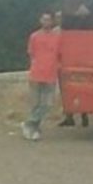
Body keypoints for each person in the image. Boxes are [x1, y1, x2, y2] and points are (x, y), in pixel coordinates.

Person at [21, 11, 60, 141]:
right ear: (40, 21)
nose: (46, 22)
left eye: (48, 20)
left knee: (47, 104)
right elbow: (31, 53)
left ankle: (30, 124)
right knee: (36, 103)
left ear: (52, 22)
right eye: (44, 19)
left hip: (51, 74)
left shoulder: (57, 37)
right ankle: (33, 128)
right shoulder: (34, 37)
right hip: (37, 74)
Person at [55, 10, 89, 128]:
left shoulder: (73, 31)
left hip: (75, 62)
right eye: (57, 17)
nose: (59, 19)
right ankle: (69, 116)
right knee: (65, 91)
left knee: (81, 89)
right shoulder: (56, 32)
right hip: (61, 64)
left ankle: (84, 115)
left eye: (60, 17)